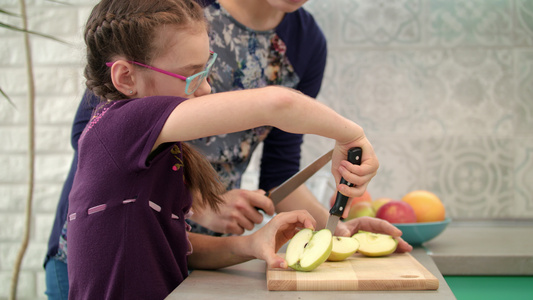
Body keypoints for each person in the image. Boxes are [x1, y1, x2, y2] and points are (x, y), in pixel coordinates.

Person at [44, 0, 412, 298]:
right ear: (125, 77)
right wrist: (352, 135)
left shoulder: (162, 157)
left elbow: (171, 243)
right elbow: (277, 105)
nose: (205, 90)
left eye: (209, 70)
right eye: (193, 76)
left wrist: (253, 244)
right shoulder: (122, 123)